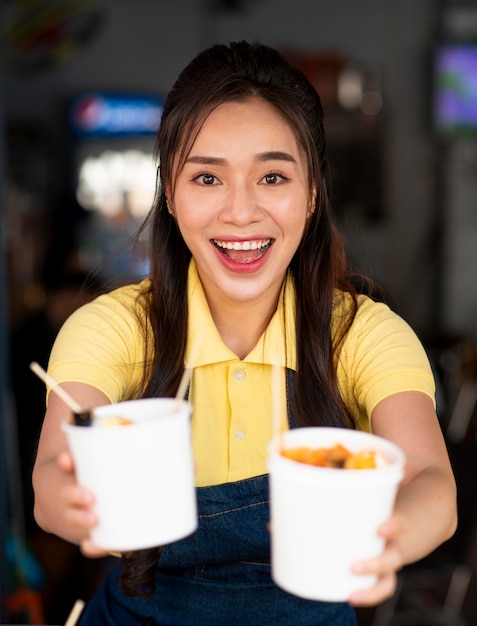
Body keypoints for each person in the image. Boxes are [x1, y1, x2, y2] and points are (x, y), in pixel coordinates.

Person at [32, 41, 457, 625]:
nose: (240, 212)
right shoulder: (111, 327)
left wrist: (391, 535)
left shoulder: (363, 334)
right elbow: (54, 473)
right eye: (207, 177)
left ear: (311, 195)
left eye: (272, 176)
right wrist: (76, 506)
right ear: (171, 196)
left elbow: (430, 480)